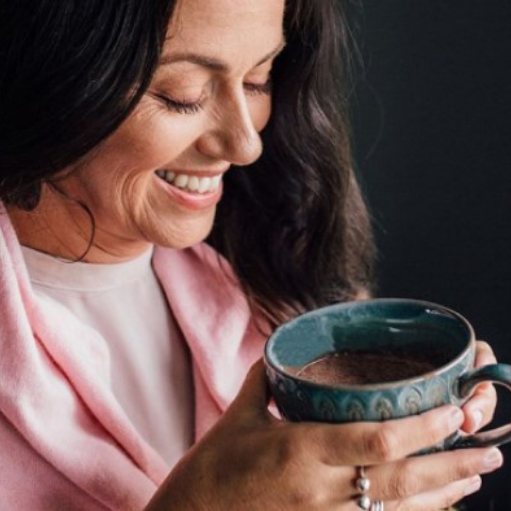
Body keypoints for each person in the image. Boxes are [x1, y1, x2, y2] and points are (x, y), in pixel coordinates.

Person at [0, 0, 501, 509]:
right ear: (52, 75)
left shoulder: (281, 278)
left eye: (259, 79)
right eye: (183, 95)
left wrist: (412, 457)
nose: (244, 144)